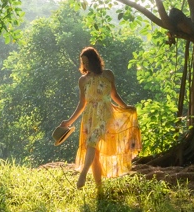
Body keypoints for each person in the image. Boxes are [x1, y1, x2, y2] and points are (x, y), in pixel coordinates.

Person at [52, 46, 141, 189]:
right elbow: (82, 104)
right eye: (83, 62)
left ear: (94, 60)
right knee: (94, 152)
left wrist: (125, 107)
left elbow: (114, 95)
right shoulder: (83, 80)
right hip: (89, 116)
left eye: (87, 61)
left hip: (105, 113)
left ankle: (83, 173)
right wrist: (69, 122)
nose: (84, 65)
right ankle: (99, 188)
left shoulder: (108, 75)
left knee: (92, 142)